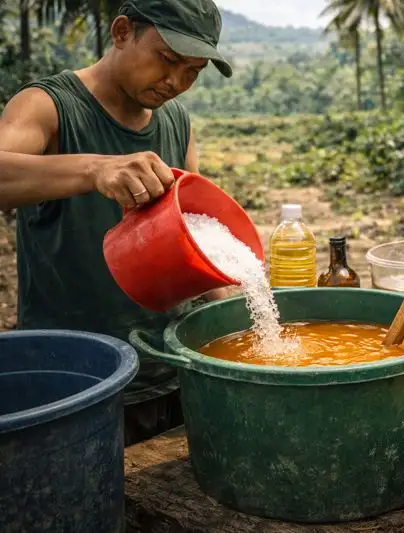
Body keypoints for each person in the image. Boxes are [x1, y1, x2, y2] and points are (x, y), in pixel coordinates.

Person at [0, 0, 235, 445]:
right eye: (167, 60)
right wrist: (95, 169)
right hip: (77, 381)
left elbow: (194, 232)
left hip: (172, 369)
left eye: (193, 71)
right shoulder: (48, 106)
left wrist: (238, 317)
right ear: (123, 31)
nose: (176, 82)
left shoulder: (176, 123)